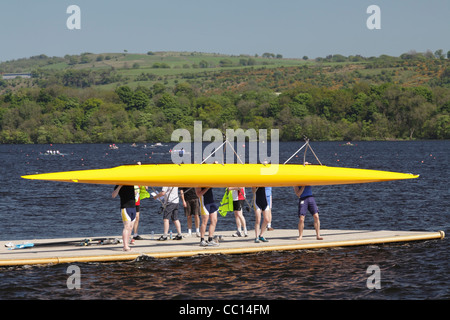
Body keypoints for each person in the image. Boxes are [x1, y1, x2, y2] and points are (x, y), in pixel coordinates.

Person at [112, 185, 136, 251]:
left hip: (133, 207)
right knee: (127, 226)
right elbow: (113, 195)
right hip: (125, 207)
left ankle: (127, 244)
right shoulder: (118, 185)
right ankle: (125, 246)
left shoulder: (131, 184)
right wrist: (120, 186)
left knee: (131, 227)